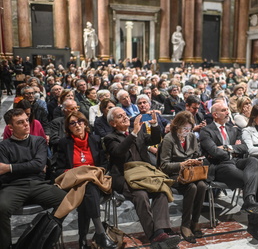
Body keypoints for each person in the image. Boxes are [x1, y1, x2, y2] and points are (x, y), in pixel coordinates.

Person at [103, 107, 180, 249]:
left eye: (125, 115)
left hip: (144, 174)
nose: (126, 117)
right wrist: (133, 133)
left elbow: (155, 139)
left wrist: (155, 124)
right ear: (113, 123)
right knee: (140, 195)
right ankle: (155, 235)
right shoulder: (110, 138)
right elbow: (119, 152)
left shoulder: (139, 131)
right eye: (120, 116)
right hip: (124, 177)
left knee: (161, 191)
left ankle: (163, 231)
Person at [200, 102, 258, 242]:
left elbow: (245, 148)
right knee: (250, 180)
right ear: (215, 115)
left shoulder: (233, 129)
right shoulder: (206, 131)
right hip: (219, 166)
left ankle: (249, 201)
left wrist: (226, 148)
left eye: (227, 110)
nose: (227, 112)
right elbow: (214, 152)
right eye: (224, 110)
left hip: (235, 161)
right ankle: (254, 225)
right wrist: (231, 150)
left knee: (253, 161)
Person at [0, 108, 66, 249]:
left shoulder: (39, 142)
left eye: (26, 120)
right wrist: (30, 166)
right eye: (20, 122)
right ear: (10, 127)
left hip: (38, 184)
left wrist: (10, 167)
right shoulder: (3, 147)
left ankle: (40, 236)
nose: (26, 124)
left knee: (66, 200)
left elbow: (38, 165)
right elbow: (3, 172)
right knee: (1, 208)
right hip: (14, 187)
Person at [55, 111, 116, 249]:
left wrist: (93, 173)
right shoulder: (64, 143)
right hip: (74, 182)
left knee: (87, 188)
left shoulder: (95, 140)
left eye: (80, 121)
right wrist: (77, 173)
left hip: (95, 180)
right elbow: (58, 169)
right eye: (72, 123)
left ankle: (82, 240)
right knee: (87, 187)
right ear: (68, 127)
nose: (77, 125)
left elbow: (104, 164)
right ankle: (100, 233)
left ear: (85, 124)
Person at [158, 111, 206, 243]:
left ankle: (194, 222)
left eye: (189, 128)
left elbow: (196, 154)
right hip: (173, 174)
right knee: (191, 187)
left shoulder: (192, 137)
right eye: (184, 128)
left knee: (202, 185)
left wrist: (197, 161)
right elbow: (163, 166)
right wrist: (182, 164)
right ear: (177, 126)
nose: (187, 131)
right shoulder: (169, 139)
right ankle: (185, 225)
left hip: (190, 173)